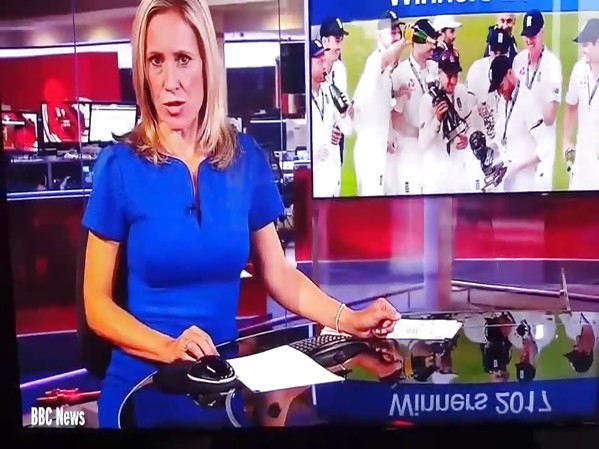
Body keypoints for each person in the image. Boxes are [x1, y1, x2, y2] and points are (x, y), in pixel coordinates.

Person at [82, 0, 402, 428]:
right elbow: (96, 305)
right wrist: (167, 348)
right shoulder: (118, 167)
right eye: (156, 61)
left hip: (222, 384)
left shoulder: (245, 159)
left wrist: (349, 319)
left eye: (183, 59)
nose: (170, 82)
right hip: (142, 389)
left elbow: (279, 274)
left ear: (207, 65)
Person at [352, 10, 408, 196]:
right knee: (371, 204)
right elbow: (386, 58)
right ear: (379, 35)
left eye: (398, 32)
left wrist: (395, 95)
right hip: (370, 149)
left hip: (378, 146)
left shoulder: (386, 69)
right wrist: (404, 42)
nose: (396, 37)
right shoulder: (376, 59)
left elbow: (378, 105)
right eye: (392, 32)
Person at [387, 18, 439, 195]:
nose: (434, 45)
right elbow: (396, 119)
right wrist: (421, 133)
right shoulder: (400, 73)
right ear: (417, 42)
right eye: (430, 40)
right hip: (410, 153)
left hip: (433, 151)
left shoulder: (436, 69)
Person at [512, 9, 562, 190]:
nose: (529, 40)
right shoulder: (518, 61)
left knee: (540, 197)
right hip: (521, 141)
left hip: (542, 142)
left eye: (533, 35)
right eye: (526, 35)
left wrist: (531, 113)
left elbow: (550, 117)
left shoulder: (552, 65)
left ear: (542, 32)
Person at [418, 48, 479, 194]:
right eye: (449, 76)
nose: (453, 81)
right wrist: (437, 120)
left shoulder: (462, 93)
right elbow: (422, 143)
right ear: (439, 74)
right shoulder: (427, 100)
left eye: (455, 76)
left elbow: (470, 126)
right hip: (435, 175)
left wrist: (467, 139)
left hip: (458, 172)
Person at [488, 55, 551, 192]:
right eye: (497, 89)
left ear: (510, 73)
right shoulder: (504, 101)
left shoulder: (528, 99)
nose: (500, 92)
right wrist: (490, 151)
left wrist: (515, 167)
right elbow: (502, 137)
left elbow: (546, 146)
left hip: (528, 187)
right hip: (509, 186)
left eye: (501, 86)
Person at [310, 39, 353, 197]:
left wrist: (345, 113)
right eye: (320, 61)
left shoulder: (329, 90)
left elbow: (347, 129)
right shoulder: (301, 99)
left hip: (332, 173)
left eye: (325, 61)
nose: (324, 66)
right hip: (315, 178)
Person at [563, 19, 599, 191]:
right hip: (582, 161)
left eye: (586, 45)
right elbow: (571, 107)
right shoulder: (579, 70)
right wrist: (566, 140)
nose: (582, 50)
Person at [467, 27, 511, 141]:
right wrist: (477, 108)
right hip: (482, 138)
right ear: (489, 49)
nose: (498, 57)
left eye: (502, 53)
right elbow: (466, 109)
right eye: (495, 52)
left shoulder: (514, 73)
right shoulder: (476, 70)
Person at [320, 16, 350, 166]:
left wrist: (338, 127)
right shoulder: (313, 71)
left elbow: (342, 107)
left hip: (335, 145)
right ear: (325, 41)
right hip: (319, 148)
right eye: (337, 41)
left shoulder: (340, 69)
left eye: (341, 41)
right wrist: (327, 133)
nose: (340, 47)